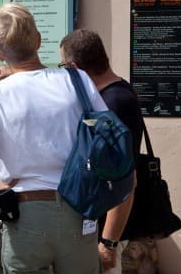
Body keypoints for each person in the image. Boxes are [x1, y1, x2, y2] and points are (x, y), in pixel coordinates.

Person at [0, 3, 106, 273]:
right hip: (78, 208)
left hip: (25, 214)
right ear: (38, 40)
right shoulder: (78, 80)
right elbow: (106, 136)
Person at [59, 29, 143, 274]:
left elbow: (126, 179)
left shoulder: (113, 103)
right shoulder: (113, 93)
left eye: (63, 66)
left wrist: (108, 242)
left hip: (105, 234)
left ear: (75, 66)